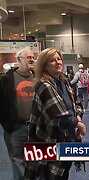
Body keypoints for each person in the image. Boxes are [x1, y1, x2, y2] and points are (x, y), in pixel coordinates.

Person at [24, 48, 86, 179]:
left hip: (67, 140)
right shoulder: (44, 85)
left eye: (59, 59)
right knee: (49, 175)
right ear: (45, 65)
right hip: (49, 141)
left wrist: (78, 118)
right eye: (52, 60)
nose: (58, 62)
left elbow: (77, 105)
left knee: (63, 174)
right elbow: (62, 118)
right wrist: (78, 124)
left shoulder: (64, 81)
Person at [0, 47, 35, 180]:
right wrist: (6, 124)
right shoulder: (6, 79)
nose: (32, 59)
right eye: (28, 57)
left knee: (37, 161)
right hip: (15, 129)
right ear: (19, 59)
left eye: (33, 57)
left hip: (36, 128)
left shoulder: (38, 76)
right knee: (18, 162)